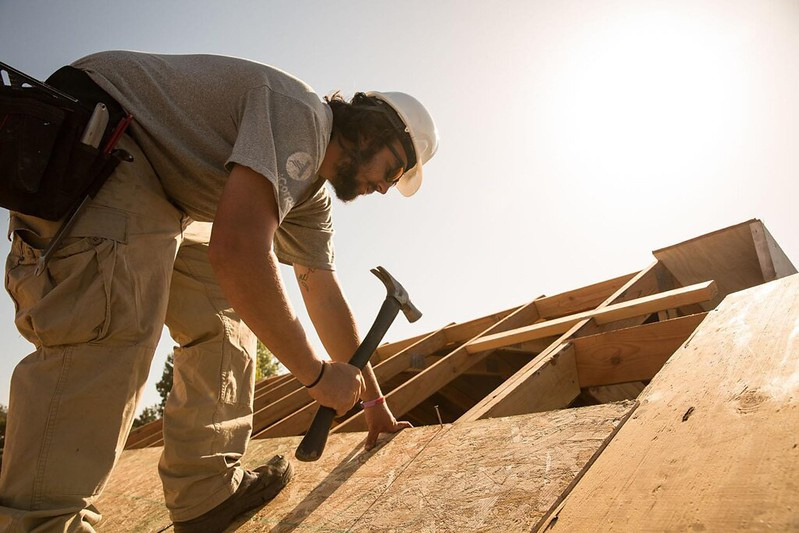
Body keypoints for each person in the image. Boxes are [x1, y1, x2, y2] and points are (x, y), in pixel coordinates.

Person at [0, 51, 439, 532]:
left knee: (226, 310)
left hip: (165, 194)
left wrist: (375, 409)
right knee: (112, 319)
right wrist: (314, 376)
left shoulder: (308, 196)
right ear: (372, 130)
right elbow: (237, 253)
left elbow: (320, 289)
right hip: (107, 137)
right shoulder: (300, 114)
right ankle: (43, 522)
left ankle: (205, 491)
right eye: (394, 170)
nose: (385, 188)